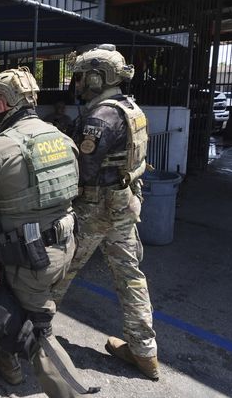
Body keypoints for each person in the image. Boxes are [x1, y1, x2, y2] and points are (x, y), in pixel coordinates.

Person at [0, 67, 88, 397]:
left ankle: (69, 391)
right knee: (17, 302)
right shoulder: (63, 139)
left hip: (29, 257)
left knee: (37, 333)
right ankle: (5, 360)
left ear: (3, 103)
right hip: (65, 246)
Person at [52, 44, 159, 380]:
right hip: (125, 203)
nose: (78, 82)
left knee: (59, 270)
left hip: (96, 209)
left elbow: (81, 170)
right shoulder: (130, 108)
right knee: (130, 277)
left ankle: (26, 336)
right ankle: (145, 353)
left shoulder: (100, 117)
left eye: (82, 76)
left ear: (98, 77)